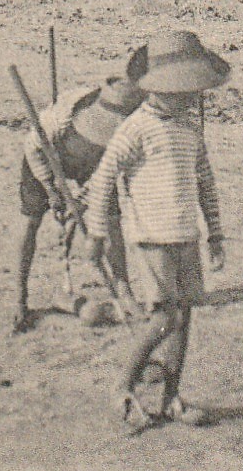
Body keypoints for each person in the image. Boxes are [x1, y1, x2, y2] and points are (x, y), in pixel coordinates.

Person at [84, 30, 230, 430]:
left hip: (186, 235)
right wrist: (97, 234)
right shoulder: (135, 129)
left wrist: (215, 234)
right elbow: (102, 179)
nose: (188, 97)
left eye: (191, 90)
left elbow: (205, 183)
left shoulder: (188, 130)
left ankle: (170, 397)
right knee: (163, 320)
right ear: (157, 87)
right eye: (180, 89)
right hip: (151, 239)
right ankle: (121, 386)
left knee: (184, 317)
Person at [16, 62, 146, 332]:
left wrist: (81, 200)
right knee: (30, 223)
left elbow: (106, 177)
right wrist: (53, 191)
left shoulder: (130, 135)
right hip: (47, 158)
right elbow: (33, 146)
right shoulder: (63, 115)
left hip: (95, 167)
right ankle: (20, 298)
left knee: (111, 220)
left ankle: (123, 290)